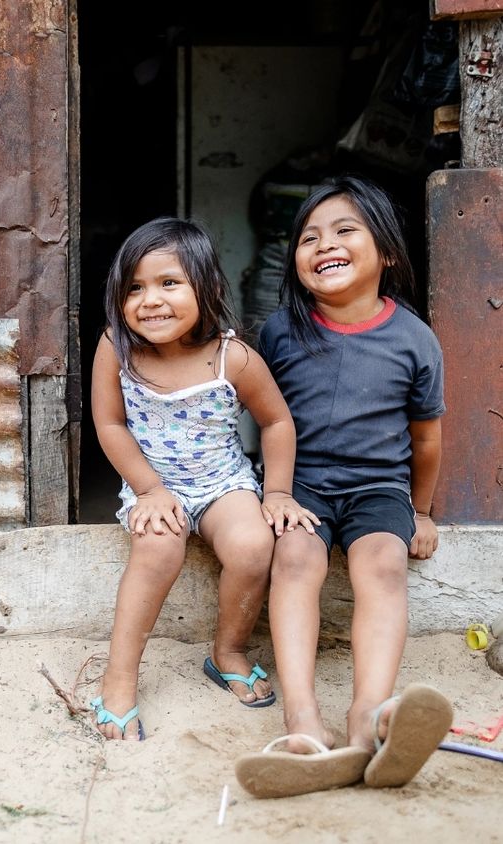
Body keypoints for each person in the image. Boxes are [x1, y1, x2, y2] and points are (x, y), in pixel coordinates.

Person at [236, 175, 452, 798]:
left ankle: (368, 718)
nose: (323, 244)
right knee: (295, 558)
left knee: (383, 565)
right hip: (300, 486)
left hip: (378, 487)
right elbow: (258, 416)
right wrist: (268, 491)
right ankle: (303, 719)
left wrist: (422, 511)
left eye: (343, 231)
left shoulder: (414, 339)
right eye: (309, 237)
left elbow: (427, 440)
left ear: (387, 253)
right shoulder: (280, 332)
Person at [90, 217, 318, 741]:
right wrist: (149, 489)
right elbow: (110, 424)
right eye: (134, 288)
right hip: (151, 482)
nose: (150, 300)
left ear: (208, 288)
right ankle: (119, 679)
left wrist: (277, 492)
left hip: (221, 483)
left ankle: (228, 651)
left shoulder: (232, 358)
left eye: (169, 283)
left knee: (252, 544)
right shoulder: (116, 346)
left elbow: (277, 422)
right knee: (158, 548)